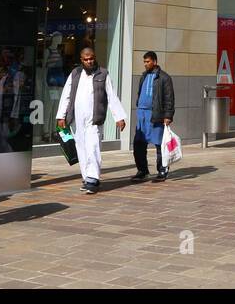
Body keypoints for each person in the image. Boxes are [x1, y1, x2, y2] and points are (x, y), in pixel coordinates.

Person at [56, 47, 127, 194]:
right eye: (86, 59)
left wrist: (119, 117)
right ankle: (87, 177)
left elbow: (112, 96)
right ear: (81, 60)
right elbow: (66, 95)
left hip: (94, 119)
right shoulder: (75, 74)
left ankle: (93, 179)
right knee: (81, 149)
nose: (89, 61)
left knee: (93, 147)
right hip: (76, 119)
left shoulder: (103, 73)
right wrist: (61, 116)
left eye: (91, 58)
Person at [132, 50, 175, 182]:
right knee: (138, 143)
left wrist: (168, 116)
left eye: (148, 61)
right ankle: (142, 170)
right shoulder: (143, 76)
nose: (145, 64)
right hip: (142, 114)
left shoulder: (164, 77)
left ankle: (162, 170)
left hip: (155, 114)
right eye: (144, 62)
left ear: (154, 62)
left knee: (159, 144)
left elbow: (169, 98)